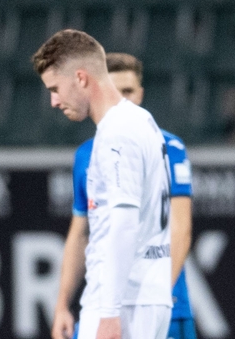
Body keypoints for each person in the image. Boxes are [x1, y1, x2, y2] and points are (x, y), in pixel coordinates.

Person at [33, 30, 173, 339]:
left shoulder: (117, 135)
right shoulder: (140, 120)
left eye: (55, 88)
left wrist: (109, 314)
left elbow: (122, 224)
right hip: (142, 296)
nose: (54, 101)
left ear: (81, 78)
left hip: (124, 302)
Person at [50, 52, 196, 339]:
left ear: (140, 94)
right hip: (106, 303)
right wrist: (61, 305)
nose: (123, 99)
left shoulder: (168, 147)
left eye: (128, 91)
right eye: (116, 91)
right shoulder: (86, 155)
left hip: (157, 299)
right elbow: (80, 233)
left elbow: (181, 228)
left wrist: (160, 294)